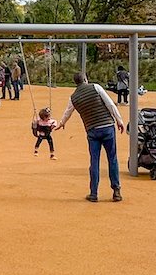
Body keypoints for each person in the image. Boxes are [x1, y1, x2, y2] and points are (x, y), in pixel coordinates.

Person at [54, 72, 127, 203]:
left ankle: (94, 193)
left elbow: (67, 112)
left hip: (92, 130)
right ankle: (116, 191)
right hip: (107, 127)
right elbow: (110, 104)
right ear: (85, 79)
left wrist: (61, 123)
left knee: (94, 162)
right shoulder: (96, 87)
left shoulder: (73, 97)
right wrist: (119, 120)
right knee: (112, 159)